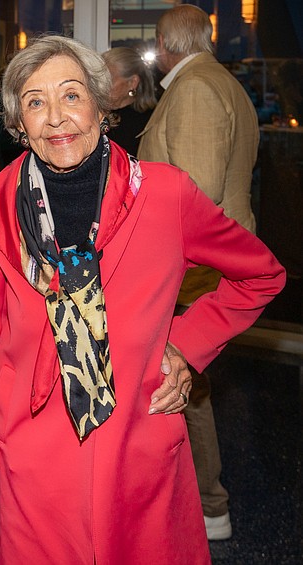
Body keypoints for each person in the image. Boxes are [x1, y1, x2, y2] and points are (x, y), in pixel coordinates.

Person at [0, 35, 285, 564]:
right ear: (19, 125)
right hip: (33, 460)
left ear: (100, 103)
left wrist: (185, 348)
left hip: (139, 452)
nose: (57, 118)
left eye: (71, 95)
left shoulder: (164, 194)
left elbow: (261, 276)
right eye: (36, 102)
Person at [137, 4, 261, 541]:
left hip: (195, 273)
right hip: (209, 267)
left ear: (165, 43)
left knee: (181, 384)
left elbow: (194, 196)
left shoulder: (194, 89)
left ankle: (210, 507)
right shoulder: (223, 82)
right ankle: (200, 501)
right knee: (185, 383)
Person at [102, 46, 156, 155]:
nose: (101, 85)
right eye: (99, 78)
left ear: (132, 82)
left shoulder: (149, 122)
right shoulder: (94, 113)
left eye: (109, 79)